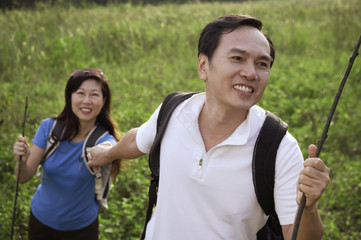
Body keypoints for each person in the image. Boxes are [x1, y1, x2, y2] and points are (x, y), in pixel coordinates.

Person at [87, 15, 330, 240]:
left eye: (262, 64)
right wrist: (106, 154)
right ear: (203, 66)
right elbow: (137, 140)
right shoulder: (173, 111)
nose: (250, 73)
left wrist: (307, 208)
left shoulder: (279, 148)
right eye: (237, 58)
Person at [13, 69, 120, 240]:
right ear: (70, 97)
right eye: (80, 93)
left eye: (94, 95)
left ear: (103, 100)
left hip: (82, 229)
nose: (86, 101)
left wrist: (107, 151)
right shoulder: (49, 128)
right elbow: (23, 177)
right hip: (41, 222)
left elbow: (111, 148)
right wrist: (22, 161)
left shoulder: (104, 139)